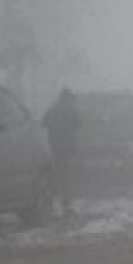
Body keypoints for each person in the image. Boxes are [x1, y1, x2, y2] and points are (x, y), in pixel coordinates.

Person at [42, 88, 81, 217]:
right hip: (66, 147)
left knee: (55, 174)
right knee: (66, 176)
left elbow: (44, 123)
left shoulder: (53, 109)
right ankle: (66, 203)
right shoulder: (70, 110)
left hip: (54, 146)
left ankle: (53, 201)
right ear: (67, 98)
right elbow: (79, 123)